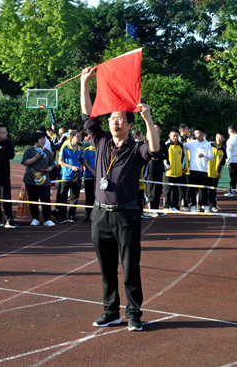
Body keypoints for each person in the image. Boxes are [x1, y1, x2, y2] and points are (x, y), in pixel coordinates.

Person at [81, 66, 160, 331]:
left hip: (126, 214)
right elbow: (87, 114)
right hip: (100, 214)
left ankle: (134, 314)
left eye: (120, 120)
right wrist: (84, 83)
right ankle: (111, 311)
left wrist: (148, 119)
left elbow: (155, 149)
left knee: (129, 268)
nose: (115, 122)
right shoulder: (101, 140)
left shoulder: (137, 149)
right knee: (106, 268)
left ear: (129, 125)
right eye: (112, 118)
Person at [21, 132, 56, 226]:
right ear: (36, 140)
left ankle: (47, 219)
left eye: (44, 139)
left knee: (46, 200)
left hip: (45, 181)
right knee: (33, 200)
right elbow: (24, 162)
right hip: (31, 180)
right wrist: (35, 158)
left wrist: (48, 169)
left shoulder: (47, 152)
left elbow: (52, 164)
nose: (44, 141)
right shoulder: (29, 150)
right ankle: (35, 218)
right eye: (41, 139)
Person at [55, 130, 84, 223]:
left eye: (80, 136)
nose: (80, 138)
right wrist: (71, 166)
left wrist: (80, 167)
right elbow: (60, 161)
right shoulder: (65, 147)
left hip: (77, 176)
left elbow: (81, 161)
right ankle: (62, 215)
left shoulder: (81, 148)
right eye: (78, 136)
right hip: (66, 175)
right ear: (72, 137)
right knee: (63, 196)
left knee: (74, 196)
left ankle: (72, 215)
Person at [183, 126, 214, 212]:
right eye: (195, 133)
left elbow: (211, 157)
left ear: (203, 134)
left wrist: (204, 156)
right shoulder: (192, 143)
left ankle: (206, 206)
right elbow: (182, 146)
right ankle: (193, 207)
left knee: (204, 190)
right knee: (192, 190)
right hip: (193, 170)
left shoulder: (207, 144)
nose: (196, 135)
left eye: (198, 133)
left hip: (203, 170)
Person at [145, 124, 167, 217]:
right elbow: (146, 153)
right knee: (151, 189)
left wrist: (158, 156)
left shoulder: (162, 143)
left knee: (158, 190)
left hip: (159, 168)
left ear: (160, 131)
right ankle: (151, 209)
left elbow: (165, 155)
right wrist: (153, 156)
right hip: (150, 169)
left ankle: (157, 208)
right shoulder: (148, 141)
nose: (155, 130)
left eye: (156, 128)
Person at [162, 129, 186, 212]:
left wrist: (182, 167)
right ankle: (166, 206)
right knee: (167, 190)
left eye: (177, 136)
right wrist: (167, 167)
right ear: (170, 136)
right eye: (174, 136)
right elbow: (164, 157)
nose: (175, 137)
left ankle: (174, 206)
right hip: (169, 172)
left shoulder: (181, 145)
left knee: (176, 191)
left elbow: (184, 157)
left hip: (178, 172)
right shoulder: (166, 145)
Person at [207, 133, 227, 213]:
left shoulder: (223, 149)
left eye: (221, 137)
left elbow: (222, 163)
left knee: (213, 190)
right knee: (205, 190)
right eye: (217, 137)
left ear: (223, 139)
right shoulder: (209, 145)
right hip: (206, 172)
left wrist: (220, 173)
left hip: (215, 173)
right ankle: (203, 205)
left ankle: (213, 205)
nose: (218, 139)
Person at [225, 125, 237, 197]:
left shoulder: (230, 140)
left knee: (232, 175)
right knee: (234, 175)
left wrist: (228, 161)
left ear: (230, 131)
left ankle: (232, 191)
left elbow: (229, 151)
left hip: (233, 160)